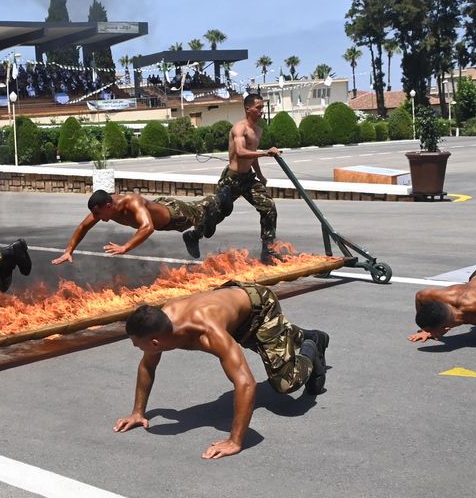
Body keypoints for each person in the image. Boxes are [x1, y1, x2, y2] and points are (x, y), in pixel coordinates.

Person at [113, 281, 329, 459]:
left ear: (155, 343)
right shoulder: (160, 325)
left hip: (259, 308)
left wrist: (235, 441)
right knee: (275, 337)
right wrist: (138, 412)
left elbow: (246, 383)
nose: (137, 349)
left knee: (285, 382)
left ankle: (312, 346)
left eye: (137, 345)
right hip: (231, 308)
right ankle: (299, 334)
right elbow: (148, 366)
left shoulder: (208, 333)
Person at [182, 93, 284, 264]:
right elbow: (241, 152)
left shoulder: (258, 130)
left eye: (262, 107)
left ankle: (268, 251)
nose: (261, 111)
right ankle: (193, 235)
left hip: (247, 179)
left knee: (268, 206)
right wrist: (266, 153)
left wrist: (260, 175)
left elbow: (251, 156)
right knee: (217, 214)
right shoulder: (239, 128)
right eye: (258, 108)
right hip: (231, 179)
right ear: (248, 109)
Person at [51, 189, 232, 264]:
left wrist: (125, 247)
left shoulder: (131, 202)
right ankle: (201, 228)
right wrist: (69, 250)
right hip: (160, 208)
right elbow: (83, 226)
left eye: (98, 214)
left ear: (108, 206)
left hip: (175, 215)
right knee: (205, 219)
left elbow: (147, 227)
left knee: (204, 209)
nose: (96, 218)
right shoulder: (104, 209)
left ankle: (220, 198)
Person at [410, 259, 476, 353]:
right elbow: (420, 295)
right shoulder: (441, 297)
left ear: (446, 328)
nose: (430, 333)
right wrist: (426, 330)